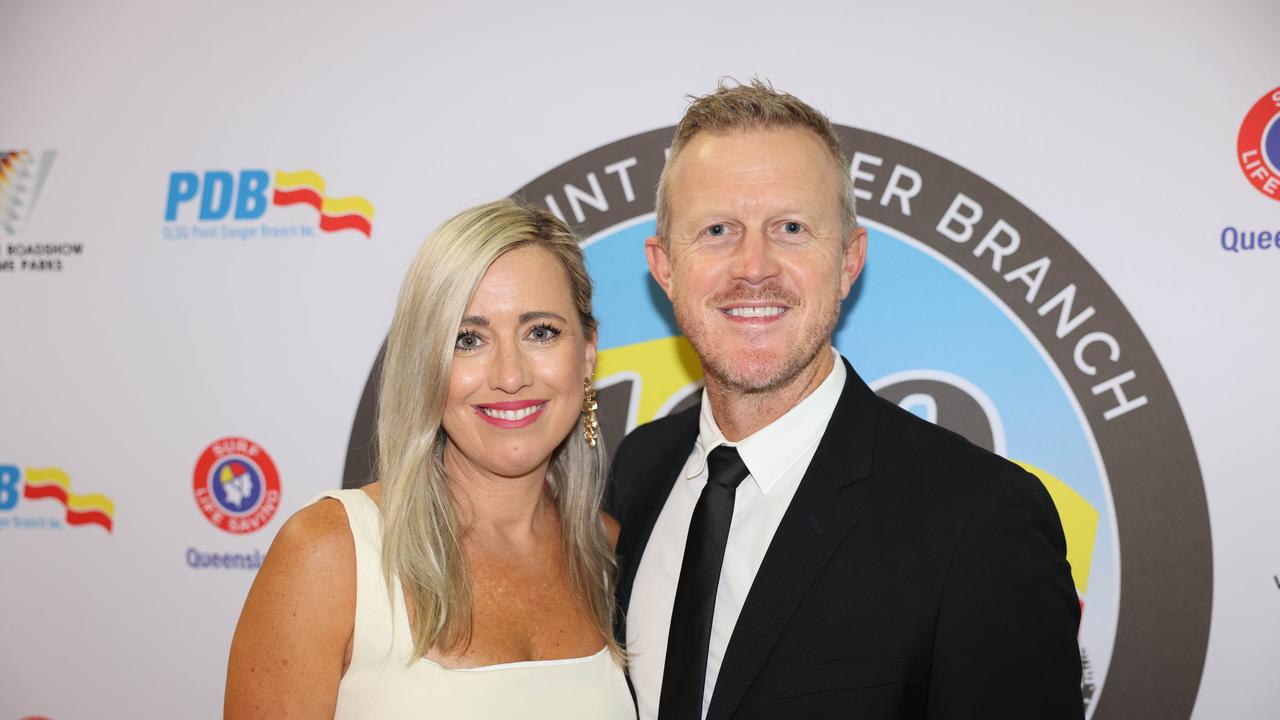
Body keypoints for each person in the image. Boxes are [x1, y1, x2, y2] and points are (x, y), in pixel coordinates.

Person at [607, 81, 1083, 719]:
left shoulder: (980, 518)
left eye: (792, 228)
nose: (754, 266)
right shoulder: (638, 472)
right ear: (665, 267)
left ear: (849, 261)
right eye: (718, 229)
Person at [225, 199, 634, 719]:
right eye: (468, 339)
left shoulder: (612, 555)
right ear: (425, 361)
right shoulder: (331, 554)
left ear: (589, 352)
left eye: (541, 332)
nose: (510, 375)